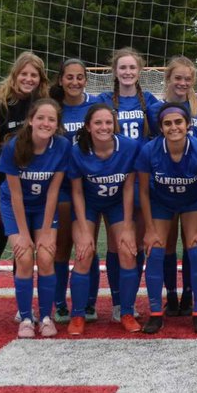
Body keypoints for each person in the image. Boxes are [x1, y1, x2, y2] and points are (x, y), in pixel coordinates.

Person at [0, 52, 49, 330]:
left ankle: (21, 308)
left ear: (40, 79)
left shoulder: (41, 103)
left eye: (34, 75)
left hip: (29, 189)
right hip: (0, 189)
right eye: (24, 74)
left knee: (23, 249)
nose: (29, 79)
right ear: (15, 75)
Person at [136, 104, 197, 335]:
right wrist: (150, 229)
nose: (173, 127)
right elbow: (143, 192)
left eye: (178, 122)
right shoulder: (149, 150)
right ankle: (155, 314)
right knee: (154, 250)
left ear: (188, 124)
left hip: (192, 202)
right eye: (167, 123)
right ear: (160, 127)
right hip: (161, 202)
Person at [97, 47, 161, 322]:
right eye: (122, 67)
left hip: (142, 180)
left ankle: (129, 302)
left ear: (140, 71)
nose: (127, 72)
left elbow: (172, 122)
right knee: (117, 244)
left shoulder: (150, 102)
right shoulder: (102, 101)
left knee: (138, 245)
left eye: (132, 68)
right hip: (115, 180)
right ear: (114, 71)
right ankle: (116, 302)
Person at [0, 99, 69, 338]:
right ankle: (26, 318)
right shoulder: (14, 146)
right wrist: (24, 235)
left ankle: (46, 317)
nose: (45, 123)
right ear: (30, 120)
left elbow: (53, 192)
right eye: (41, 118)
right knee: (25, 257)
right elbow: (15, 195)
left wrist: (46, 231)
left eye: (51, 119)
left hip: (43, 206)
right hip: (15, 206)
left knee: (46, 257)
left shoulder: (62, 146)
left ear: (57, 125)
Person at [66, 103, 140, 335]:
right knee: (84, 252)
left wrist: (127, 226)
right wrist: (84, 231)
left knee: (127, 251)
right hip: (88, 204)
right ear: (88, 126)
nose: (104, 127)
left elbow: (129, 188)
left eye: (108, 122)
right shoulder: (77, 151)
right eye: (98, 122)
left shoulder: (128, 147)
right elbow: (77, 192)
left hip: (117, 203)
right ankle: (78, 314)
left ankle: (126, 312)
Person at [160, 56, 197, 319]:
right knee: (167, 245)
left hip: (193, 187)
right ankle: (171, 295)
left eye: (188, 79)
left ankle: (189, 295)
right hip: (166, 187)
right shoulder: (156, 107)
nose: (182, 83)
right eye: (178, 78)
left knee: (193, 243)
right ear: (168, 78)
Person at [49, 58, 98, 323]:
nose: (75, 82)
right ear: (61, 79)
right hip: (60, 186)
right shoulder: (52, 108)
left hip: (88, 186)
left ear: (86, 80)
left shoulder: (95, 105)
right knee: (61, 247)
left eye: (80, 77)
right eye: (69, 77)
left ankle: (89, 303)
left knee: (87, 244)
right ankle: (59, 303)